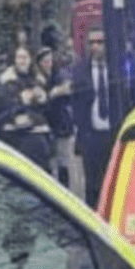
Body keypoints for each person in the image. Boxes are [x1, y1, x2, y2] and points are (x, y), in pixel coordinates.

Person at [0, 47, 52, 170]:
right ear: (14, 60)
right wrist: (21, 100)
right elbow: (4, 106)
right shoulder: (8, 81)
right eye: (19, 57)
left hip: (37, 129)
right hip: (18, 133)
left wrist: (41, 98)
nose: (23, 61)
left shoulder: (36, 79)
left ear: (30, 60)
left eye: (25, 57)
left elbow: (46, 109)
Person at [73, 28, 115, 207]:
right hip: (92, 135)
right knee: (93, 184)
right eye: (92, 43)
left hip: (113, 133)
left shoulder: (116, 67)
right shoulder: (81, 70)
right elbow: (77, 104)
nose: (96, 47)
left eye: (100, 42)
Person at [36, 47, 82, 194]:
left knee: (63, 161)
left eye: (49, 60)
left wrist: (51, 94)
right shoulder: (38, 79)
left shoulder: (59, 75)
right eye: (44, 61)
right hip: (47, 124)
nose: (47, 63)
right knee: (51, 160)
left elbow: (67, 88)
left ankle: (65, 191)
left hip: (62, 124)